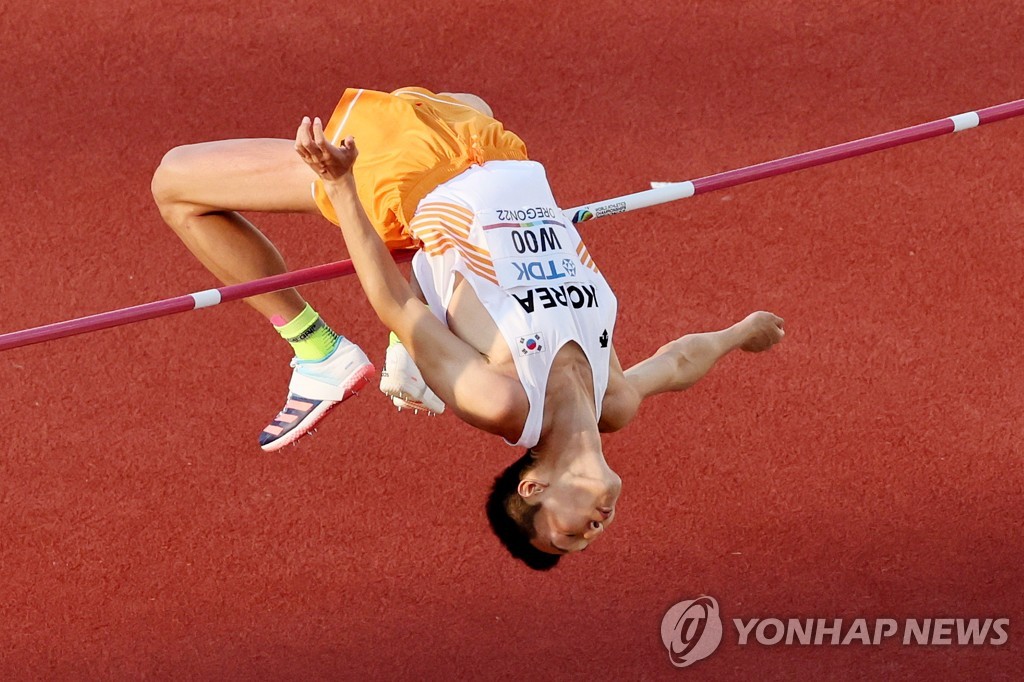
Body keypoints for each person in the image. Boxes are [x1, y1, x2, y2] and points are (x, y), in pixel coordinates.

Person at [153, 88, 785, 569]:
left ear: (534, 485)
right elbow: (676, 365)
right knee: (460, 97)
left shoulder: (501, 401)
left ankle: (316, 349)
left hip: (409, 180)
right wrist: (738, 334)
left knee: (176, 181)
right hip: (495, 155)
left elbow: (398, 305)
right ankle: (412, 344)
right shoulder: (613, 402)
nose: (593, 531)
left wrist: (342, 187)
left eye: (568, 532)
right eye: (588, 537)